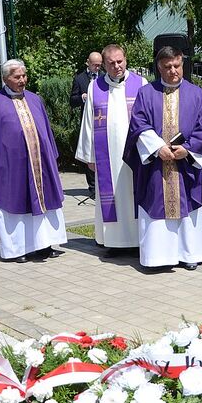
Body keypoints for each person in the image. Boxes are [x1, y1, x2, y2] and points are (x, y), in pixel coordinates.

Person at [124, 46, 202, 271]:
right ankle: (157, 257)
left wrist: (188, 149)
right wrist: (158, 147)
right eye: (167, 67)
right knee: (156, 202)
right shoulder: (146, 93)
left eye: (177, 65)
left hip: (187, 164)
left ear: (182, 64)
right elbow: (139, 124)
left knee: (189, 207)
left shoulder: (197, 94)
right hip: (157, 164)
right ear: (159, 68)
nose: (173, 71)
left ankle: (190, 253)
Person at [0, 59, 66, 263]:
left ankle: (44, 244)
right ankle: (18, 249)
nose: (22, 80)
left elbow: (46, 132)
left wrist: (50, 156)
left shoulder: (35, 99)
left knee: (44, 202)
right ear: (6, 78)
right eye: (17, 77)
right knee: (14, 203)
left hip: (40, 164)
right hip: (10, 167)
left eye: (24, 76)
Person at [75, 43, 147, 252]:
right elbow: (88, 122)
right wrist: (89, 156)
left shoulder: (140, 83)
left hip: (135, 153)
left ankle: (138, 241)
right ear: (104, 65)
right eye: (111, 63)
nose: (117, 66)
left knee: (134, 194)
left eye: (120, 61)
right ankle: (114, 243)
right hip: (107, 155)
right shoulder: (95, 87)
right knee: (111, 196)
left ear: (126, 60)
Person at [70, 51, 103, 197]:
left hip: (103, 120)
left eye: (99, 65)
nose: (97, 68)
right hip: (88, 121)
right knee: (90, 153)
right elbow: (72, 100)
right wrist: (81, 97)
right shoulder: (80, 79)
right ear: (88, 63)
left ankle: (103, 184)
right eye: (95, 65)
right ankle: (92, 187)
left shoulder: (104, 77)